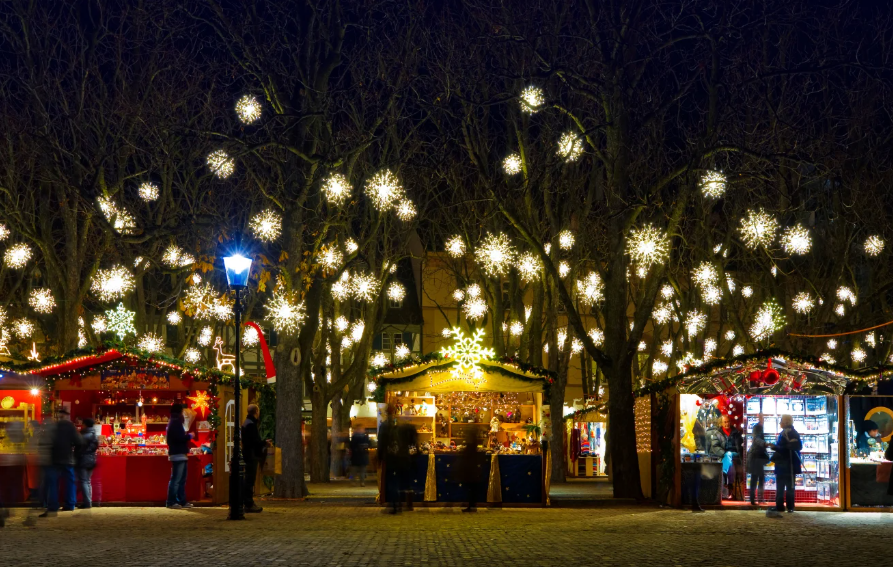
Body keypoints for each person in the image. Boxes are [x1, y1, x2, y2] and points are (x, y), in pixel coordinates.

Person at [41, 408, 83, 517]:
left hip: (54, 458)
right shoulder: (70, 426)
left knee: (53, 483)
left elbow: (47, 441)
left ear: (58, 415)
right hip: (67, 458)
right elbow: (79, 441)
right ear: (67, 415)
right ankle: (70, 504)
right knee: (70, 482)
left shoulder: (54, 426)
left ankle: (53, 506)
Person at [767, 414, 802, 517]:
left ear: (785, 422)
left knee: (785, 486)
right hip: (786, 465)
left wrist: (776, 448)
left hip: (786, 465)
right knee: (784, 486)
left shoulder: (789, 433)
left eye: (781, 421)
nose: (780, 423)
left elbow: (790, 448)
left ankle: (786, 506)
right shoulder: (790, 433)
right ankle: (784, 506)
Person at [241, 404, 271, 513]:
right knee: (250, 479)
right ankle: (248, 503)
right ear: (256, 412)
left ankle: (247, 502)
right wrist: (264, 443)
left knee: (248, 478)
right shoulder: (251, 424)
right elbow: (254, 441)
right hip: (251, 454)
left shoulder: (246, 423)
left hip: (248, 453)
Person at [706, 415, 743, 499]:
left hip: (734, 454)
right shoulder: (717, 433)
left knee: (729, 454)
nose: (727, 423)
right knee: (731, 466)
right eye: (725, 422)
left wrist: (729, 454)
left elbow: (740, 447)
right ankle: (729, 488)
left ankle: (723, 473)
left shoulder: (736, 433)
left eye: (728, 421)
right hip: (723, 456)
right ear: (721, 423)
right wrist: (724, 454)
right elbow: (715, 447)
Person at [166, 403, 194, 510]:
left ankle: (181, 501)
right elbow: (179, 438)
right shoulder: (176, 423)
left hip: (178, 454)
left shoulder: (173, 422)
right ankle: (171, 501)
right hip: (178, 454)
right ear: (179, 412)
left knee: (180, 479)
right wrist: (189, 436)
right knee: (177, 480)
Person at [457, 427, 485, 512]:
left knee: (471, 487)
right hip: (472, 468)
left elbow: (468, 454)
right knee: (472, 488)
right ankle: (472, 505)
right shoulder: (474, 443)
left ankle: (471, 505)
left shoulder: (471, 444)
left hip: (470, 468)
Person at [75, 418, 99, 509]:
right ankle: (89, 501)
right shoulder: (93, 434)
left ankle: (87, 502)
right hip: (91, 459)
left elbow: (78, 447)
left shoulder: (84, 435)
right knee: (88, 481)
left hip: (83, 459)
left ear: (85, 424)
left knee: (84, 481)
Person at [746, 423, 770, 506]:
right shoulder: (758, 436)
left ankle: (755, 499)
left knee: (755, 479)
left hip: (755, 460)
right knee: (758, 479)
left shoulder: (755, 436)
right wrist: (765, 444)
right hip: (757, 460)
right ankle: (757, 499)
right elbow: (758, 440)